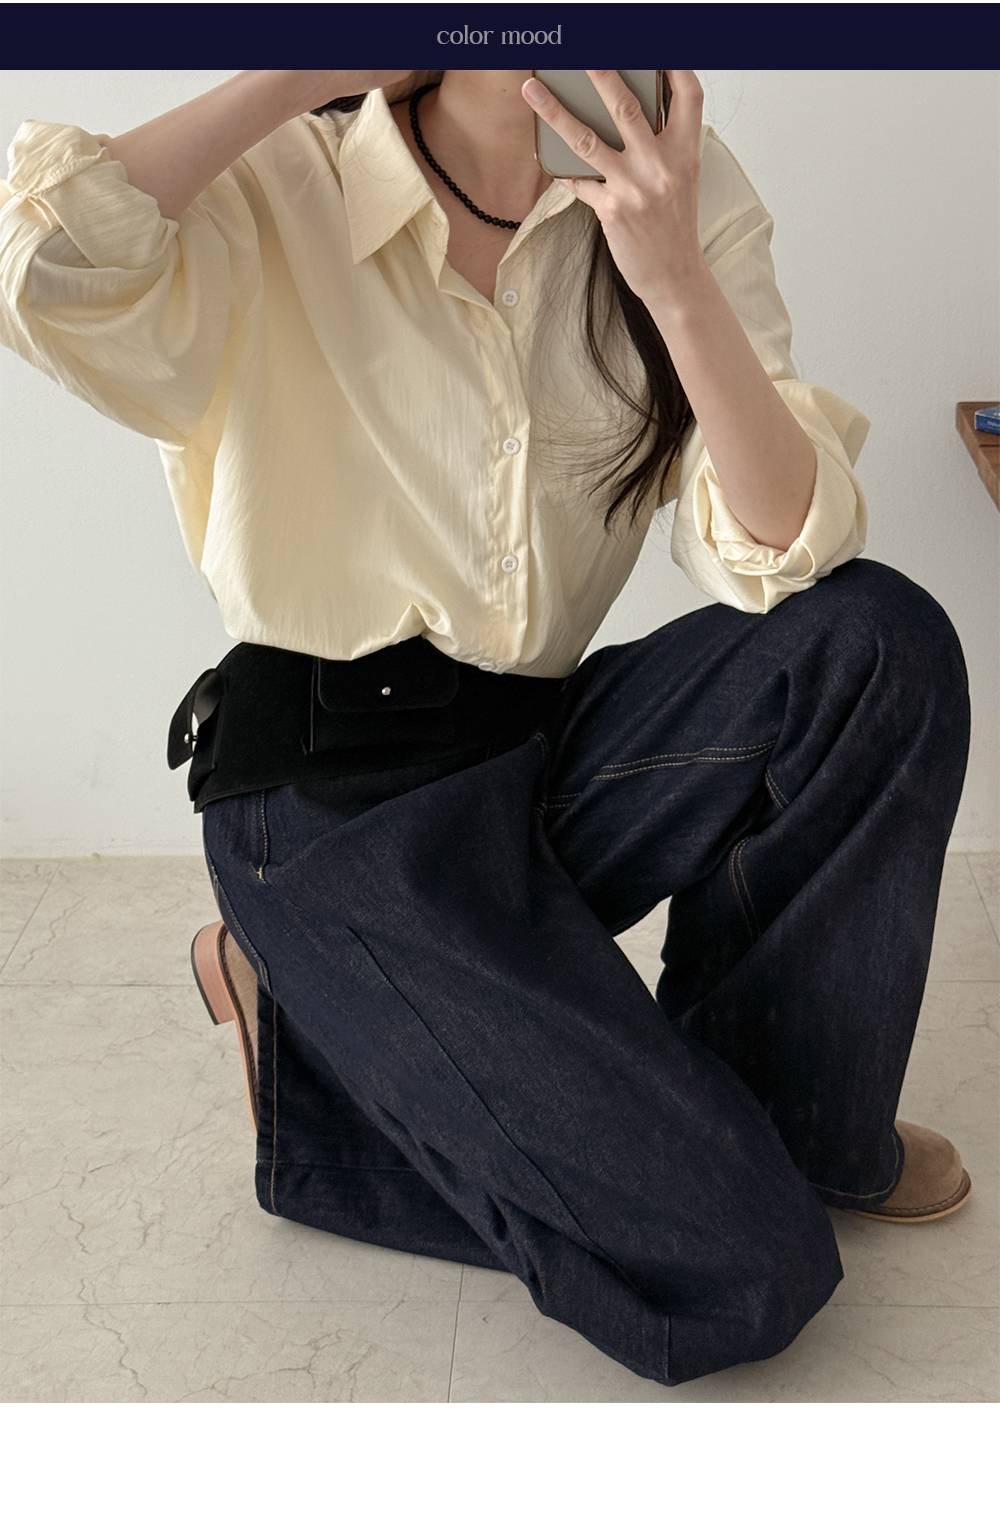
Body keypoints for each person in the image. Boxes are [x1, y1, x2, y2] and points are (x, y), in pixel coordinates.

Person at [0, 68, 972, 1388]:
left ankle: (791, 1125)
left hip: (527, 757)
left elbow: (784, 541)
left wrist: (674, 277)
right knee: (750, 1266)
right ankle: (310, 1065)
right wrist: (312, 62)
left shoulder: (676, 196)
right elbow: (44, 263)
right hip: (330, 805)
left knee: (875, 642)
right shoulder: (288, 173)